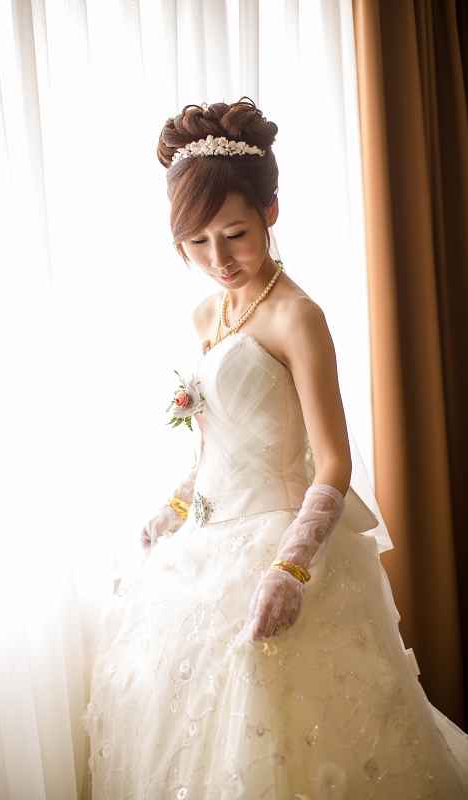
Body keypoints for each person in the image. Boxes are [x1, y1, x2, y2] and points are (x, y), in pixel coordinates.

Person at [85, 99, 468, 799]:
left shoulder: (297, 316)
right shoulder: (207, 313)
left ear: (271, 213)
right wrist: (175, 507)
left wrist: (290, 568)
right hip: (205, 551)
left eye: (234, 234)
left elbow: (333, 462)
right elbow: (219, 445)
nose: (218, 260)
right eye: (196, 242)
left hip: (280, 542)